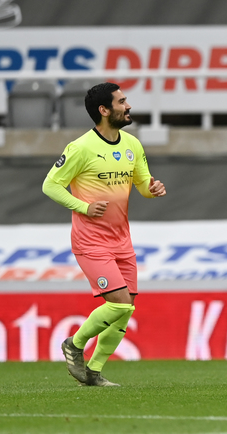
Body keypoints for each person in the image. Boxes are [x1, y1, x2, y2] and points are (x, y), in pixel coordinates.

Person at [44, 83, 166, 386]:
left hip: (122, 240)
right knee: (120, 303)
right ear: (104, 110)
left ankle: (94, 372)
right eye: (122, 101)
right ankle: (74, 344)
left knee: (125, 310)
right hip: (91, 242)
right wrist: (83, 207)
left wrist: (152, 189)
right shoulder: (81, 148)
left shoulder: (132, 144)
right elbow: (50, 185)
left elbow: (142, 184)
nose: (128, 106)